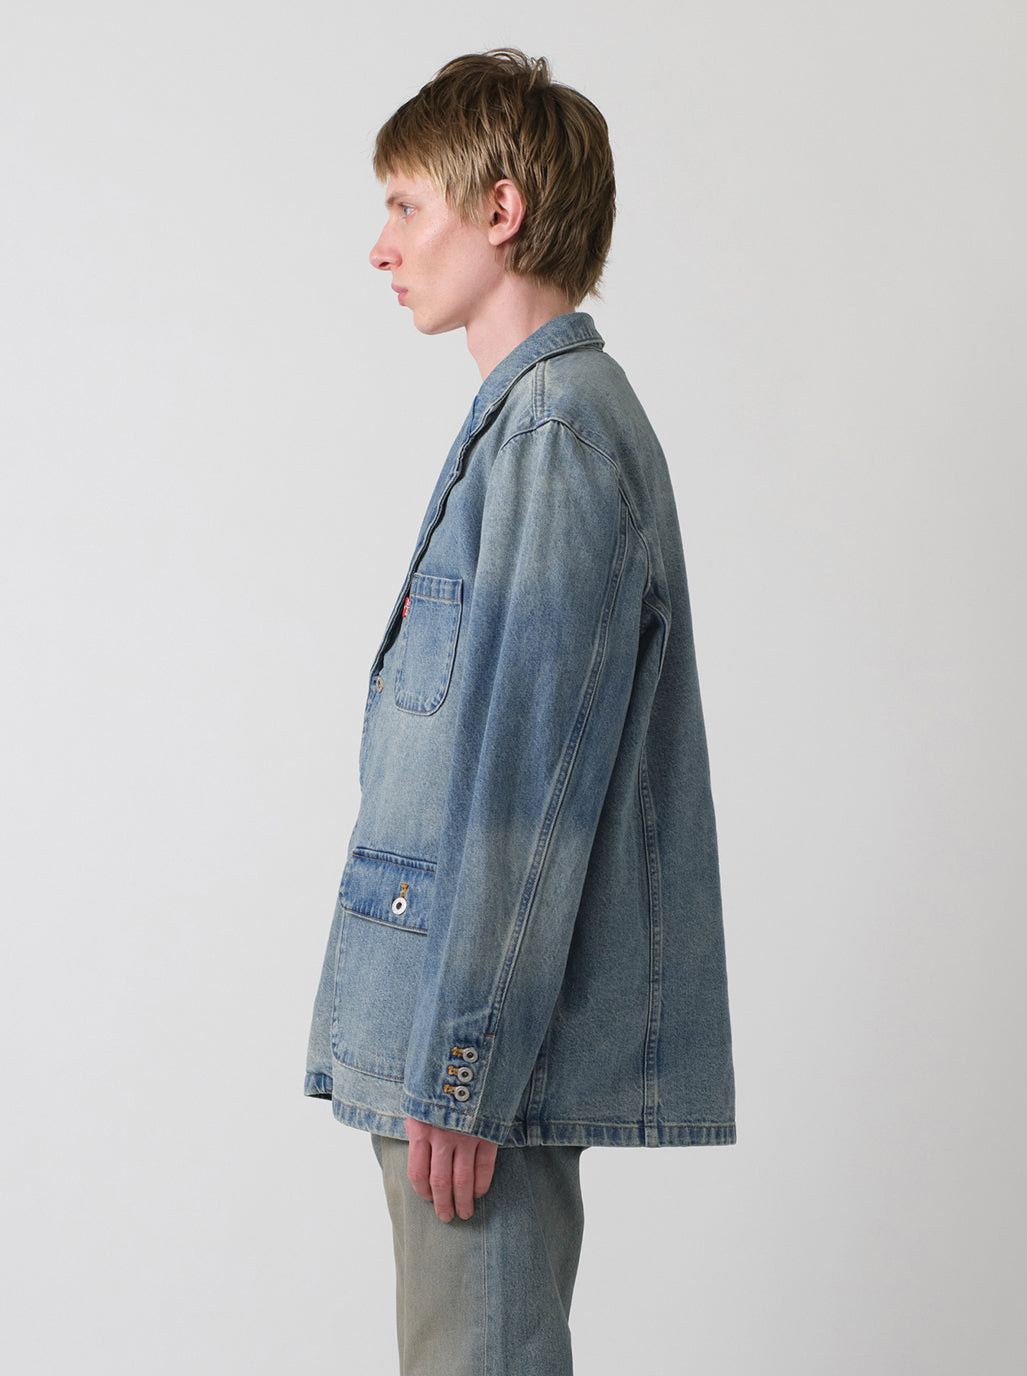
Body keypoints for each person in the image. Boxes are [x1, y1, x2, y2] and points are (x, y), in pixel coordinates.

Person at [305, 48, 735, 1375]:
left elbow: (528, 789)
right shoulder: (532, 425)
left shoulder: (556, 436)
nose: (381, 246)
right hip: (460, 1046)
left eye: (405, 205)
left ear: (500, 211)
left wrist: (462, 1072)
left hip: (472, 1066)